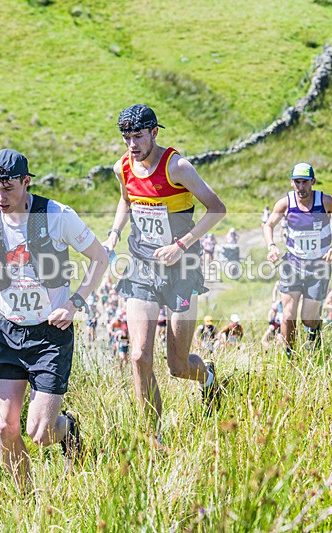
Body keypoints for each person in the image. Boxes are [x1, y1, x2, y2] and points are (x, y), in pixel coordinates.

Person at [0, 148, 109, 492]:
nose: (0, 197)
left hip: (50, 333)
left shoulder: (58, 216)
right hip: (7, 332)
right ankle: (25, 500)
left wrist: (75, 303)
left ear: (26, 182)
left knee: (40, 433)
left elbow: (100, 258)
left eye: (8, 189)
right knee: (4, 427)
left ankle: (68, 429)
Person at [100, 104, 226, 435]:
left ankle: (209, 378)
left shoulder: (178, 166)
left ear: (154, 133)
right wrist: (113, 235)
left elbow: (216, 209)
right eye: (126, 138)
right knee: (139, 356)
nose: (132, 145)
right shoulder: (122, 167)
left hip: (181, 270)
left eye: (138, 137)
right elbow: (127, 201)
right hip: (142, 268)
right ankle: (153, 437)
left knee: (178, 366)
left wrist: (181, 244)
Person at [264, 162, 332, 356]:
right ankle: (291, 358)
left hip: (319, 267)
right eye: (297, 182)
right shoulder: (285, 203)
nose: (301, 187)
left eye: (305, 182)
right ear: (292, 182)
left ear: (312, 181)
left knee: (308, 319)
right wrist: (271, 245)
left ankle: (315, 346)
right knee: (287, 316)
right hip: (292, 264)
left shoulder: (326, 201)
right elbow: (268, 225)